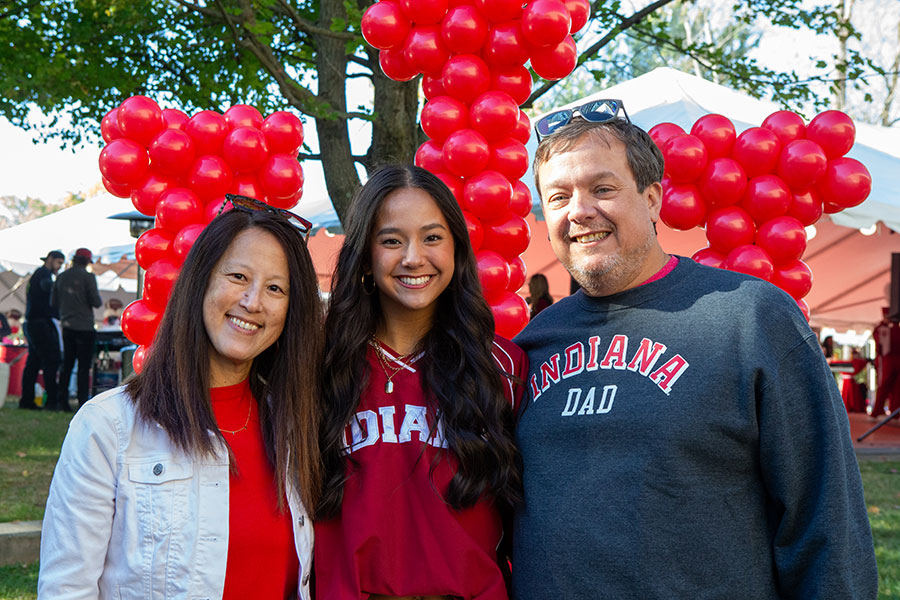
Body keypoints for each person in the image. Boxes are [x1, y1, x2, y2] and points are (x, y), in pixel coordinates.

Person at [511, 102, 877, 599]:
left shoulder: (751, 318)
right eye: (558, 197)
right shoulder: (533, 342)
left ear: (653, 199)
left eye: (603, 189)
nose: (579, 211)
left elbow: (826, 520)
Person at [38, 196, 324, 599]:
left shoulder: (296, 428)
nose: (253, 301)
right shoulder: (108, 426)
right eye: (238, 276)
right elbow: (66, 590)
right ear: (201, 280)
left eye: (275, 288)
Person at [314, 165, 527, 600]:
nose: (413, 257)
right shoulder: (319, 364)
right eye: (392, 241)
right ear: (365, 257)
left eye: (432, 237)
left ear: (456, 249)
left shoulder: (502, 365)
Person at [50, 247, 102, 411]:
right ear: (86, 262)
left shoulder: (61, 277)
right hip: (85, 327)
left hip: (67, 326)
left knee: (67, 365)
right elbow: (96, 302)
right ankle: (82, 402)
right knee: (83, 367)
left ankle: (62, 401)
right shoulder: (88, 277)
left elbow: (53, 303)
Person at [19, 250, 64, 410]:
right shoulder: (43, 274)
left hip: (32, 322)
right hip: (40, 323)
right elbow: (47, 287)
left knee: (33, 362)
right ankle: (51, 401)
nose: (59, 267)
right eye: (59, 263)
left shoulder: (38, 274)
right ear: (50, 259)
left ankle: (27, 400)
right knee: (50, 361)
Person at [871, 306, 900, 419]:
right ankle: (878, 411)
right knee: (884, 385)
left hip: (895, 359)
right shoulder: (881, 328)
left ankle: (895, 413)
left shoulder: (895, 327)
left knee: (897, 387)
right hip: (886, 360)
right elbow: (880, 346)